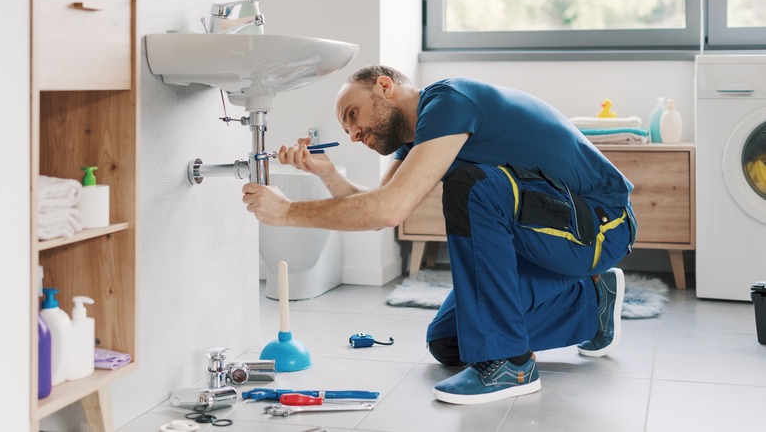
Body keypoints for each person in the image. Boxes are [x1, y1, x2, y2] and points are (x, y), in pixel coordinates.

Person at [242, 65, 637, 405]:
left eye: (353, 114)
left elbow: (389, 207)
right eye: (347, 129)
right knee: (449, 343)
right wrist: (327, 174)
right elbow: (382, 210)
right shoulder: (419, 136)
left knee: (472, 185)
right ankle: (591, 301)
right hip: (551, 231)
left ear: (384, 87)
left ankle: (511, 365)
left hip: (601, 224)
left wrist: (288, 211)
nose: (353, 134)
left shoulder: (449, 101)